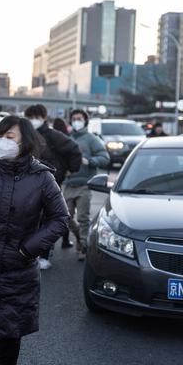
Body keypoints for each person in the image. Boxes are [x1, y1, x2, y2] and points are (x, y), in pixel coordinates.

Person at [0, 116, 69, 365]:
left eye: (10, 137)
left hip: (19, 269)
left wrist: (28, 249)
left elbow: (60, 218)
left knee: (12, 332)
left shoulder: (42, 178)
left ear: (26, 142)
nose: (3, 142)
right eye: (0, 136)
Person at [24, 104, 82, 268]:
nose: (33, 121)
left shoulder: (52, 135)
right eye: (30, 117)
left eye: (36, 117)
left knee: (46, 219)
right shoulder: (26, 134)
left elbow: (73, 149)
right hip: (29, 180)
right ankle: (31, 253)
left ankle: (44, 255)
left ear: (43, 118)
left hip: (51, 180)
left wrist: (70, 170)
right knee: (30, 218)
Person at [63, 109, 110, 261]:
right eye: (74, 118)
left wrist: (90, 161)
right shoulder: (67, 139)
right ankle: (79, 238)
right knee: (65, 217)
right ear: (70, 121)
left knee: (83, 218)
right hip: (69, 184)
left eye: (79, 118)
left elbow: (104, 157)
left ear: (85, 121)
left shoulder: (91, 139)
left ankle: (83, 247)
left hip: (85, 184)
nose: (76, 121)